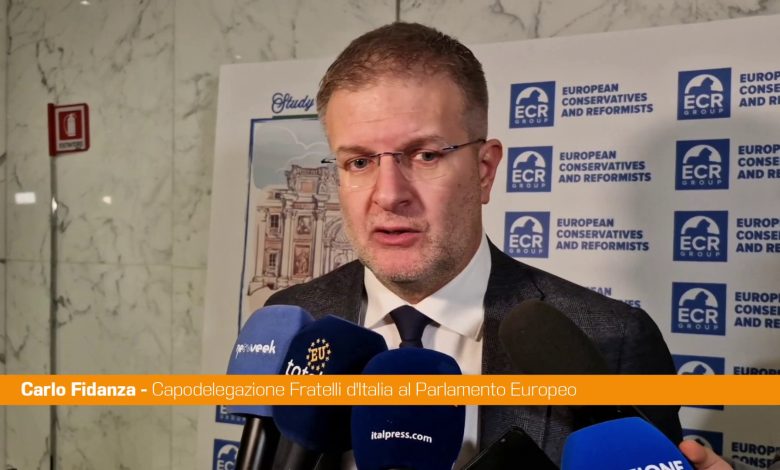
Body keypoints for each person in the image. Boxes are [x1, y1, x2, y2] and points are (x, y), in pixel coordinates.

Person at [265, 22, 739, 469]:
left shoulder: (611, 341)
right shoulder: (294, 321)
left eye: (425, 155)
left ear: (484, 170)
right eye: (359, 162)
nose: (389, 194)